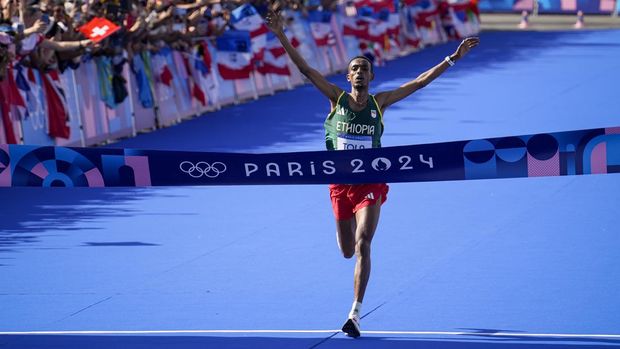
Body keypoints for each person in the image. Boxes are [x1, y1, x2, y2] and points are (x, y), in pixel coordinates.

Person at [264, 9, 479, 338]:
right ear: (348, 77)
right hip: (339, 184)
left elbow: (419, 82)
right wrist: (281, 36)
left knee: (364, 243)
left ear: (371, 77)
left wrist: (453, 57)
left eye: (364, 68)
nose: (359, 72)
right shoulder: (336, 99)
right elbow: (307, 70)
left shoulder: (380, 102)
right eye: (354, 69)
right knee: (347, 250)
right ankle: (349, 264)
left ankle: (355, 313)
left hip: (370, 182)